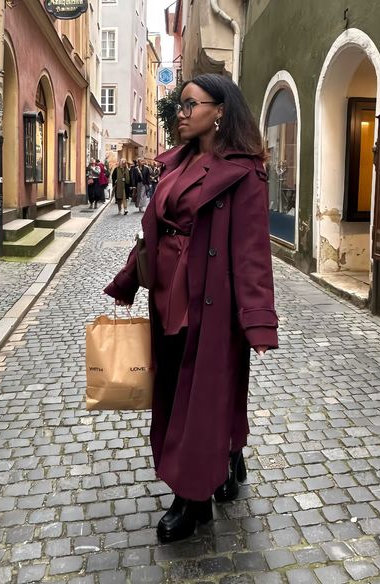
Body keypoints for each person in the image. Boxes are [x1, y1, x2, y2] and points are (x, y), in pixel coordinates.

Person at [104, 74, 278, 543]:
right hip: (167, 296)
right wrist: (127, 282)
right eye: (178, 106)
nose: (180, 113)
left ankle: (192, 498)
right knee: (180, 388)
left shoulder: (244, 171)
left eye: (190, 105)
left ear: (219, 111)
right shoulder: (175, 165)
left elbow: (252, 252)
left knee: (197, 398)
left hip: (210, 301)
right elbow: (151, 235)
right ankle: (227, 455)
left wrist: (258, 320)